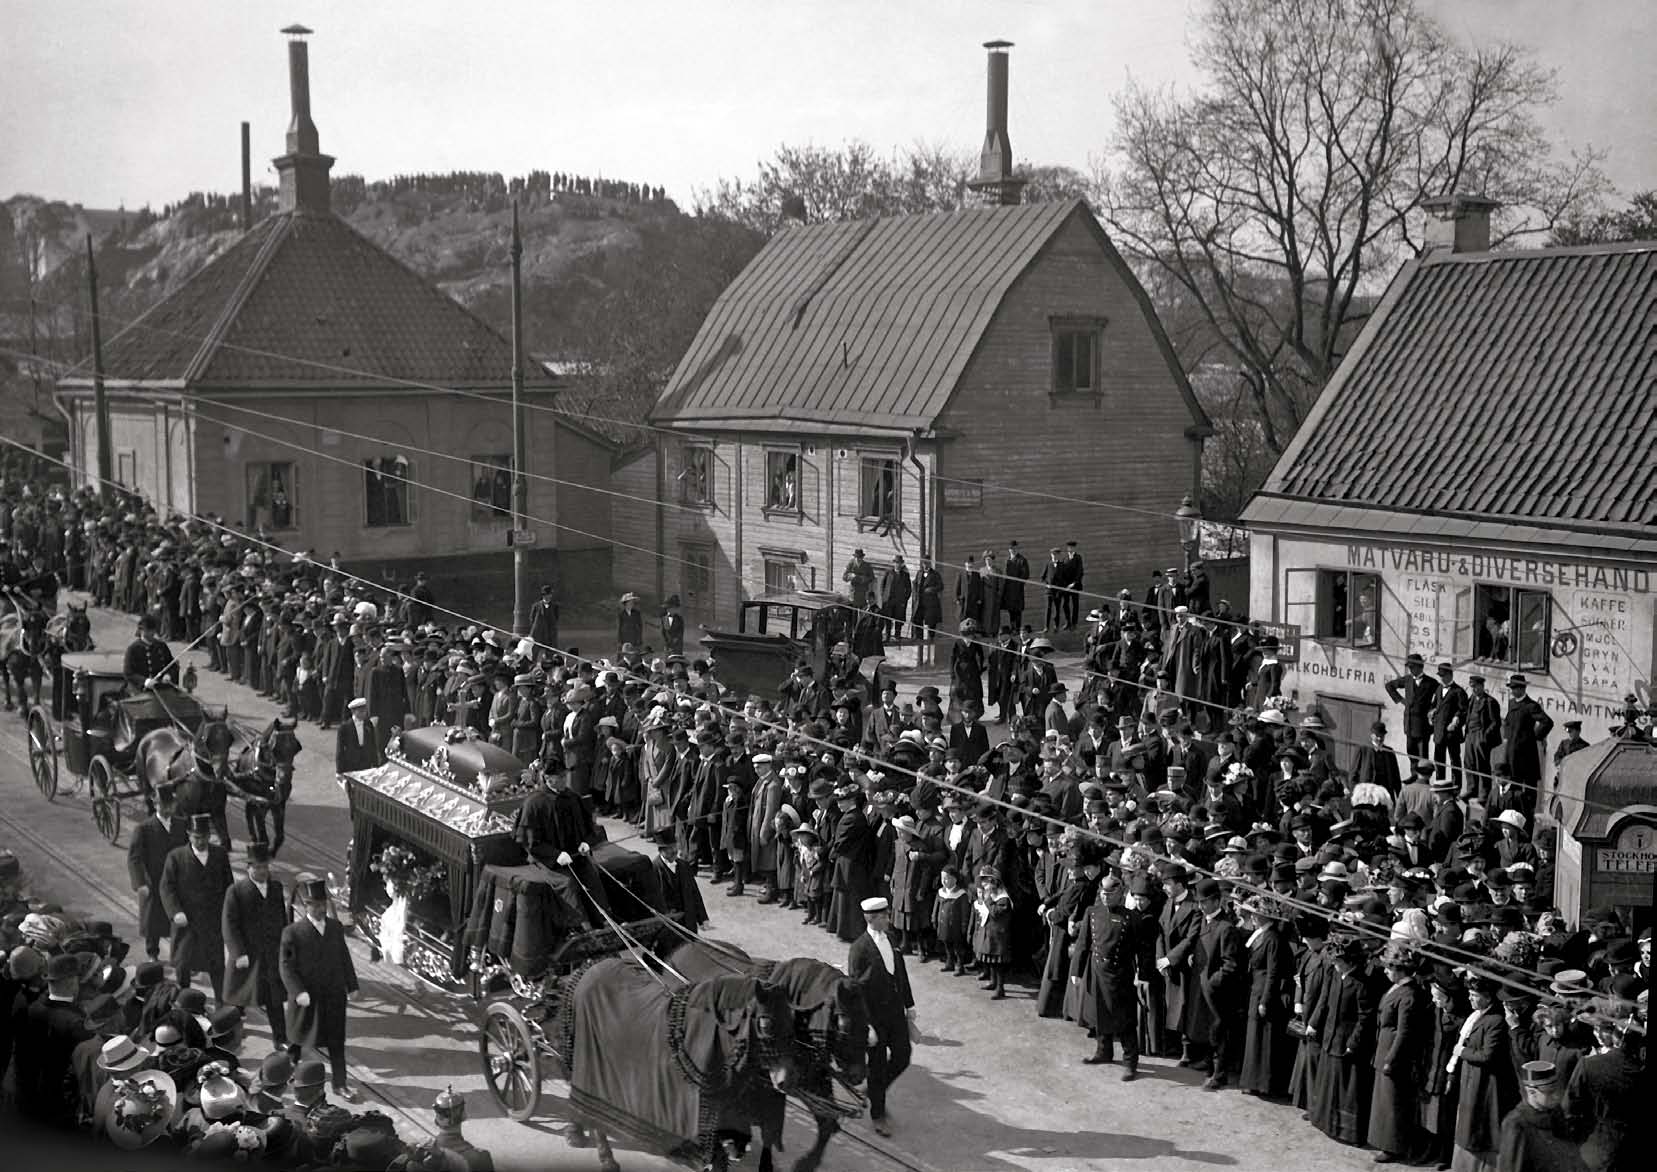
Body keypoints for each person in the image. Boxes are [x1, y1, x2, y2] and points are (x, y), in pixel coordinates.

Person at [280, 875, 362, 1103]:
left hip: (333, 996)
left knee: (336, 1041)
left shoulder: (335, 928)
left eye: (322, 904)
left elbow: (344, 958)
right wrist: (298, 992)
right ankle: (289, 1068)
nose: (318, 909)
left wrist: (352, 985)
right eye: (313, 905)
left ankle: (340, 1084)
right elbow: (286, 966)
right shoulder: (293, 932)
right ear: (305, 906)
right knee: (298, 1037)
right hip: (307, 997)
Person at [847, 896, 915, 1138]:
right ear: (871, 918)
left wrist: (910, 1006)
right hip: (874, 1018)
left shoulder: (892, 939)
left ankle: (875, 1090)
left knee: (903, 1056)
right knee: (876, 1066)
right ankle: (878, 1114)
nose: (888, 918)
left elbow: (901, 974)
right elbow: (855, 992)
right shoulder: (859, 949)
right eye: (884, 916)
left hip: (895, 1013)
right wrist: (866, 1026)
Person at [1070, 871, 1141, 1079]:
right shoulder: (1092, 912)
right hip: (1096, 970)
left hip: (1120, 974)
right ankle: (1103, 1051)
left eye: (1110, 893)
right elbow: (1083, 944)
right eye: (1103, 892)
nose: (1105, 896)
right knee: (1099, 1013)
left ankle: (1130, 1061)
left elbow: (1141, 949)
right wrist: (1077, 970)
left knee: (1125, 1019)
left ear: (1120, 893)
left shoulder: (1131, 917)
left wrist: (1141, 973)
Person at [10, 951, 92, 1127]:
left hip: (25, 1099)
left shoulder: (29, 1007)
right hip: (57, 1107)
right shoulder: (77, 1023)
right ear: (72, 982)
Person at [160, 812, 234, 1001]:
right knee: (183, 964)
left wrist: (228, 914)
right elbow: (167, 888)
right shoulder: (175, 858)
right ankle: (184, 1001)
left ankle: (221, 1003)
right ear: (189, 835)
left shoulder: (219, 855)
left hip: (212, 923)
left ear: (209, 836)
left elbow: (229, 886)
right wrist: (175, 912)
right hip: (187, 924)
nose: (200, 841)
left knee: (217, 965)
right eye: (196, 837)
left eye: (204, 837)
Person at [222, 840, 289, 1049]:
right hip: (247, 956)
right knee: (239, 998)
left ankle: (280, 1038)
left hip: (271, 955)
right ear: (248, 867)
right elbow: (229, 924)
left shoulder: (276, 888)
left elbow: (283, 919)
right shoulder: (237, 892)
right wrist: (238, 952)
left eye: (265, 866)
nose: (262, 871)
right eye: (257, 867)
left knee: (274, 999)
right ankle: (229, 1031)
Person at [1368, 943, 1431, 1163]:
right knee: (1385, 1101)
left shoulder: (1409, 995)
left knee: (1393, 1103)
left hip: (1394, 1055)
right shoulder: (1397, 989)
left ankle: (1393, 1146)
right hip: (1384, 1047)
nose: (1385, 970)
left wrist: (1391, 1059)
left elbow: (1404, 1033)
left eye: (1389, 967)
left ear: (1400, 969)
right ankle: (1386, 1142)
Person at [1451, 977, 1518, 1172]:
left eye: (1474, 995)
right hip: (1472, 1079)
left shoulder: (1495, 1020)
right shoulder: (1478, 1015)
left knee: (1480, 1127)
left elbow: (1487, 1055)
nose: (1470, 999)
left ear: (1488, 997)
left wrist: (1461, 1052)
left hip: (1485, 1083)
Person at [127, 782, 187, 961]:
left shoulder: (181, 825)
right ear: (155, 804)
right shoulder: (144, 829)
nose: (167, 808)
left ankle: (181, 956)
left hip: (176, 881)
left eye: (170, 804)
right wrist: (140, 884)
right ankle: (153, 953)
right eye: (163, 804)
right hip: (154, 881)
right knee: (153, 920)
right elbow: (134, 858)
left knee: (179, 919)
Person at [1385, 653, 1441, 765]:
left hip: (1423, 727)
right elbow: (1389, 686)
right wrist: (1401, 700)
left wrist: (1433, 708)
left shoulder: (1431, 683)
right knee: (1411, 753)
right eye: (1409, 667)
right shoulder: (1407, 680)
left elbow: (1441, 696)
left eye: (1412, 667)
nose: (1410, 670)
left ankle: (1423, 779)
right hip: (1409, 725)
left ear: (1420, 667)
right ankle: (1414, 776)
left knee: (1423, 756)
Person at [122, 613, 179, 692]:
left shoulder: (161, 646)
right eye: (148, 630)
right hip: (141, 691)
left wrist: (168, 675)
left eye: (153, 630)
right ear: (141, 630)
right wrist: (144, 681)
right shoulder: (133, 649)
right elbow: (128, 673)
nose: (152, 633)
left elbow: (173, 665)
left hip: (161, 689)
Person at [335, 697, 384, 774]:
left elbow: (373, 744)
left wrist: (375, 764)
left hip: (366, 763)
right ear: (353, 711)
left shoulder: (368, 724)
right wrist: (339, 770)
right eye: (361, 711)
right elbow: (340, 750)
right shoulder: (344, 727)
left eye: (365, 711)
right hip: (351, 764)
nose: (364, 713)